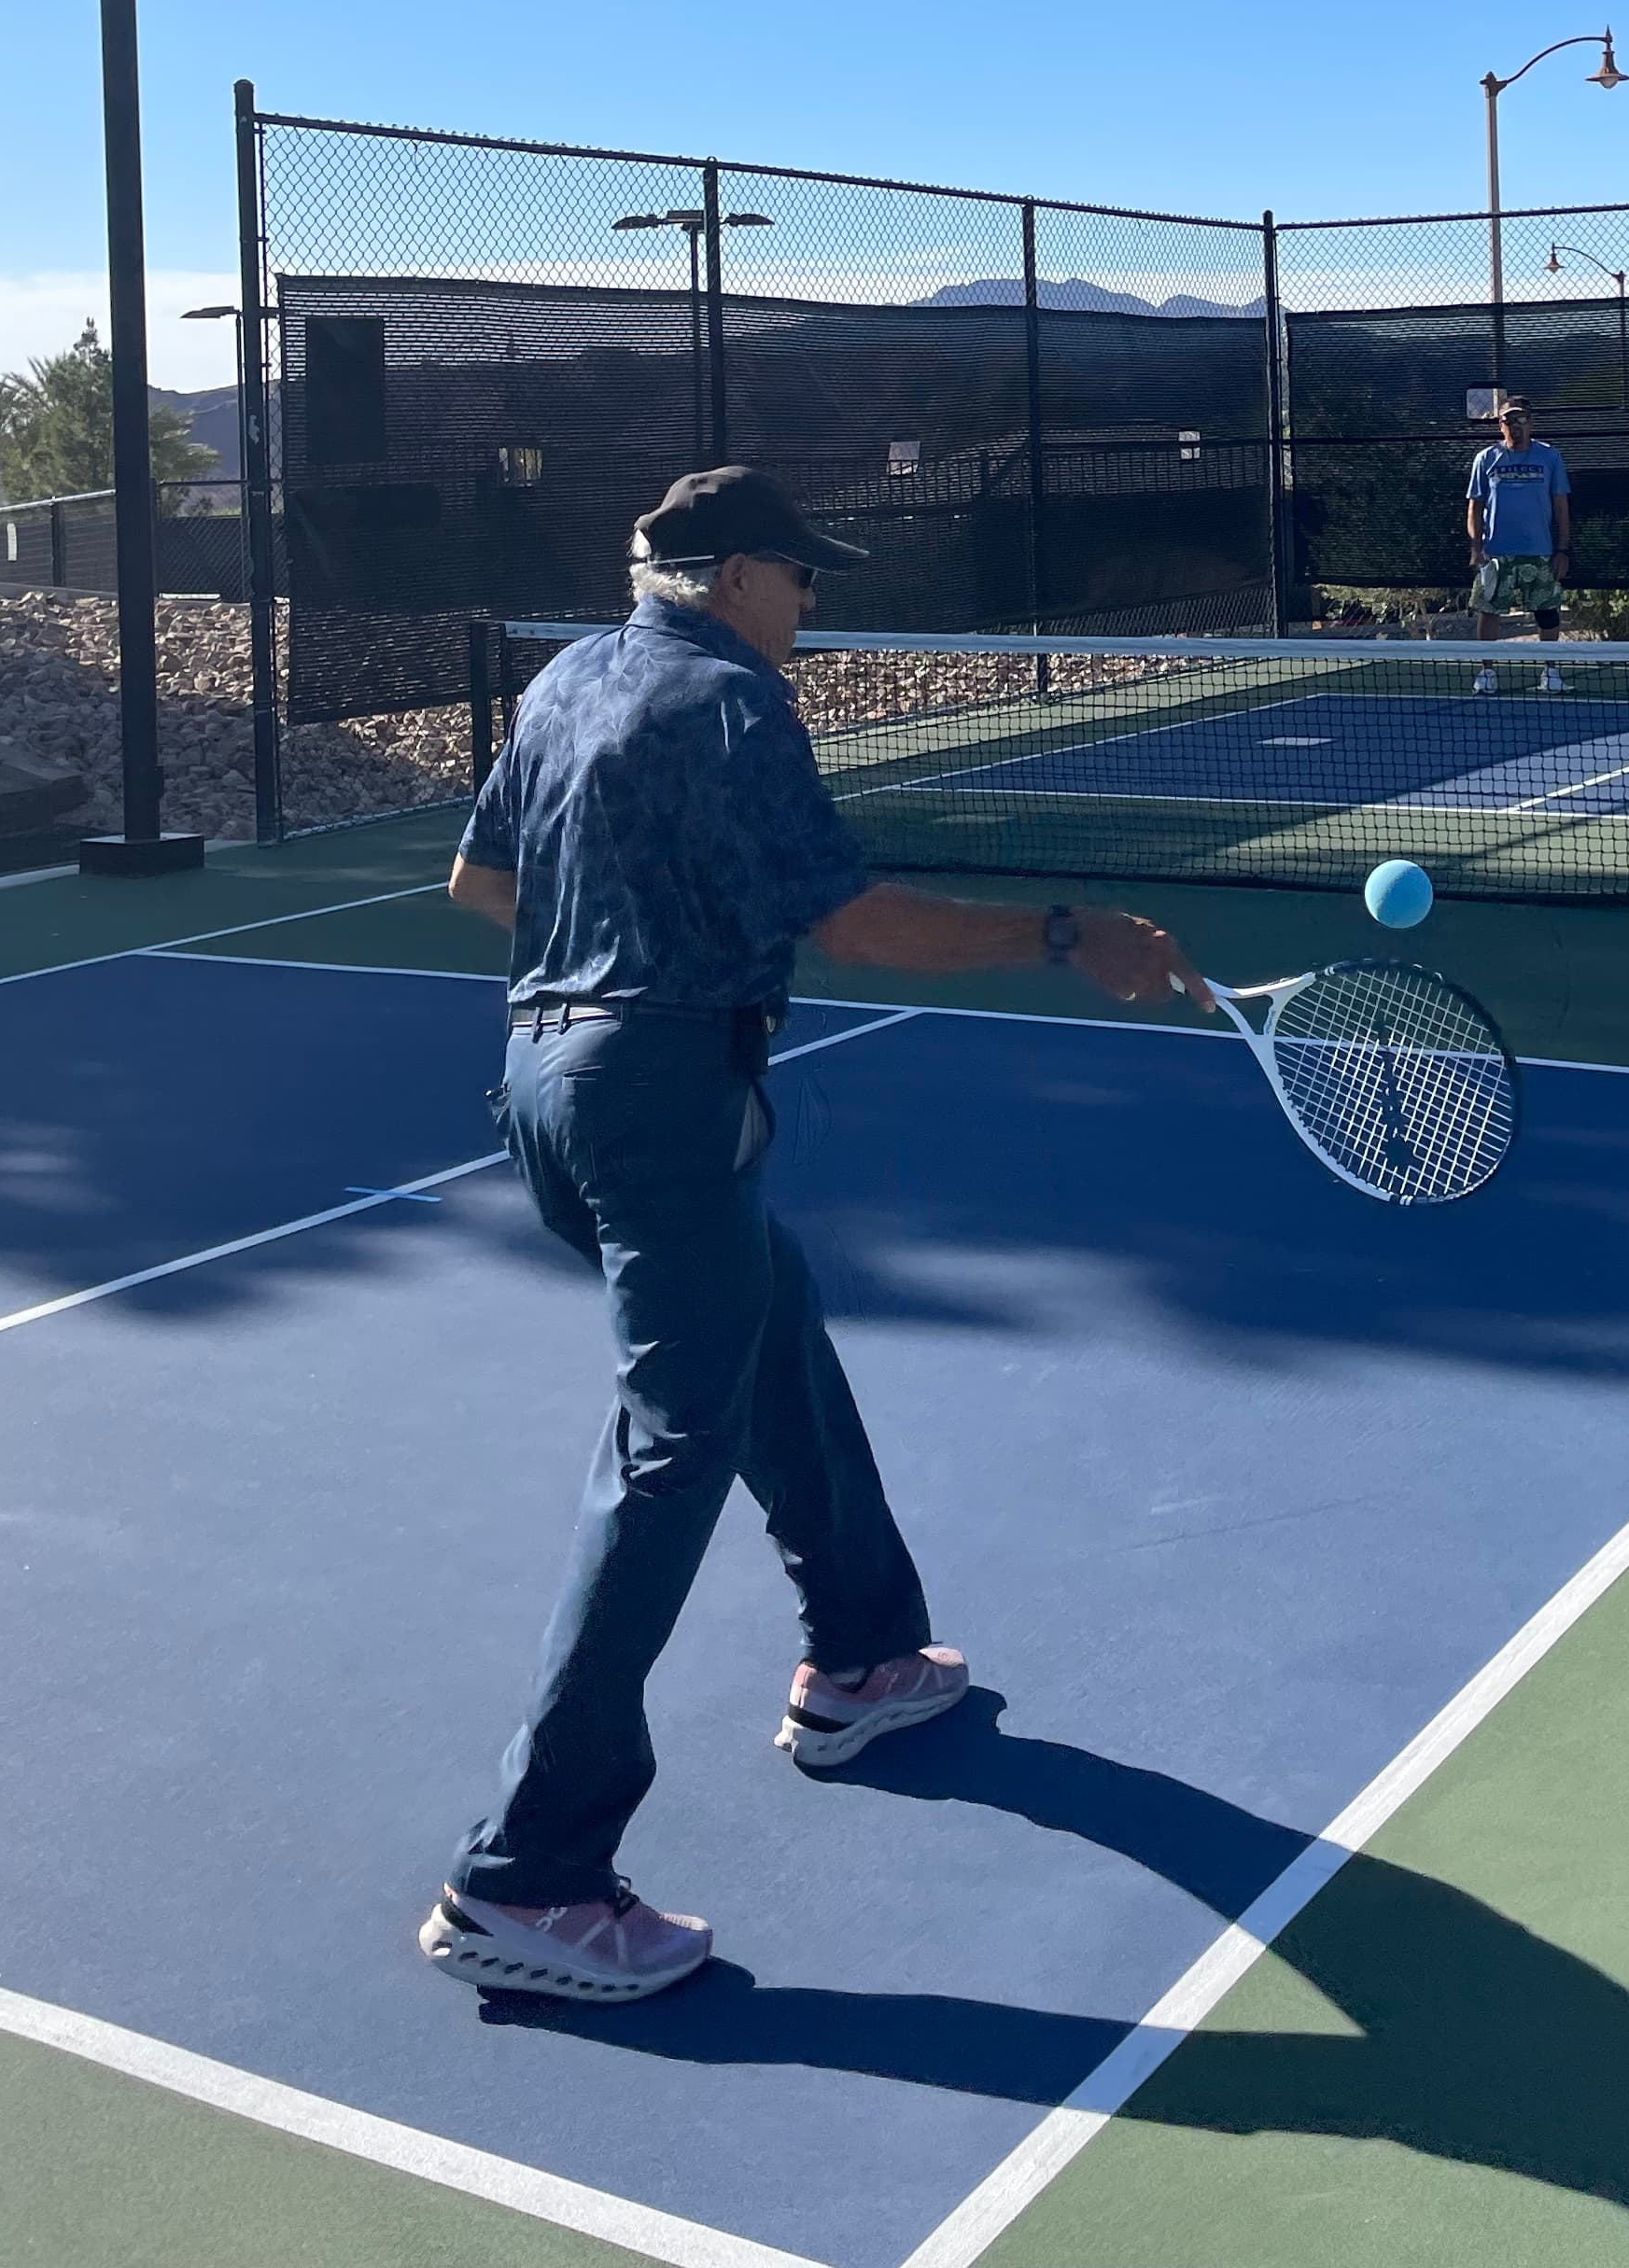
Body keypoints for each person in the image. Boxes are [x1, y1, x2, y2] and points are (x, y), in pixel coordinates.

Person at [420, 466, 1197, 2008]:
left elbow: (478, 879)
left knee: (774, 1335)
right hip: (656, 1099)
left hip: (542, 1084)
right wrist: (1068, 934)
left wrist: (619, 974)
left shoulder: (565, 679)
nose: (814, 603)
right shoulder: (731, 697)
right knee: (667, 1454)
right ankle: (529, 1869)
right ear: (725, 575)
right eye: (800, 574)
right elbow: (858, 924)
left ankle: (860, 1657)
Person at [1465, 395, 1572, 694]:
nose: (1516, 426)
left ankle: (1550, 673)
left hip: (1540, 552)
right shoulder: (1486, 459)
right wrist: (1477, 546)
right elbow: (1474, 507)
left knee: (1547, 612)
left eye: (1522, 419)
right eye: (1508, 420)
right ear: (1500, 425)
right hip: (1496, 553)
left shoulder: (1550, 457)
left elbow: (1561, 505)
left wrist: (1563, 549)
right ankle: (1487, 673)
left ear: (1532, 422)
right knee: (1489, 611)